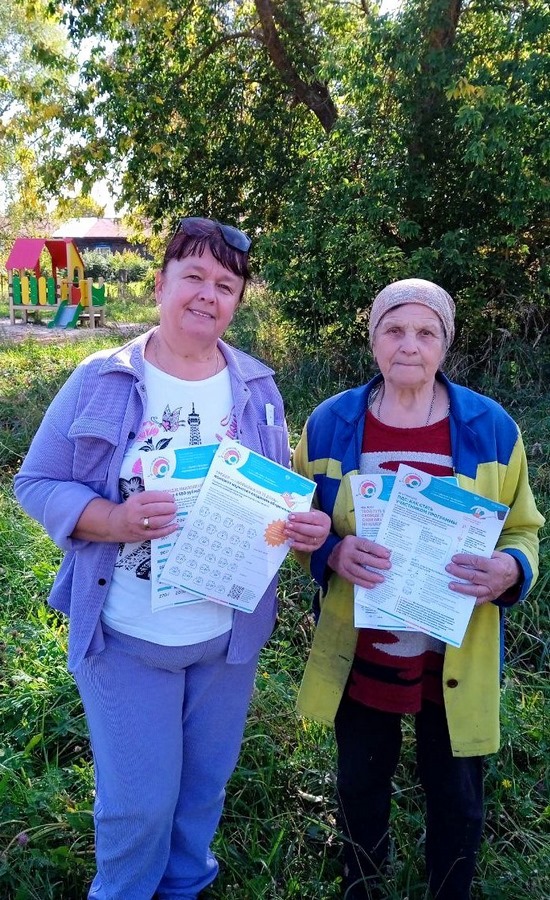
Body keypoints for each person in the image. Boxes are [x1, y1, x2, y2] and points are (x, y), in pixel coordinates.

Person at [14, 217, 330, 900]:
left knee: (202, 792)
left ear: (237, 301)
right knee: (141, 806)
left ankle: (185, 887)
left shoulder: (258, 388)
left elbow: (275, 495)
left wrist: (301, 527)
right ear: (160, 285)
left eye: (226, 285)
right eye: (194, 276)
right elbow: (35, 482)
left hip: (226, 643)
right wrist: (114, 520)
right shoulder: (102, 379)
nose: (208, 294)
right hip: (127, 637)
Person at [292, 278, 543, 900]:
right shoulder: (329, 424)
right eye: (394, 329)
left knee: (456, 794)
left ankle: (449, 889)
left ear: (445, 344)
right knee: (360, 785)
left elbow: (523, 529)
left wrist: (511, 569)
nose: (409, 344)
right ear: (372, 340)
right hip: (362, 653)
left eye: (426, 332)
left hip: (454, 654)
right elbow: (295, 521)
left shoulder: (491, 427)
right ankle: (362, 885)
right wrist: (331, 551)